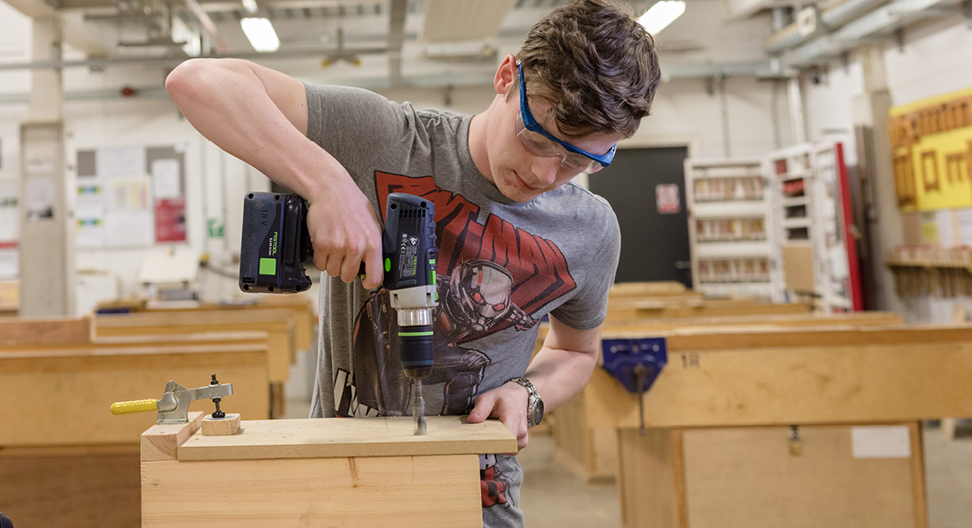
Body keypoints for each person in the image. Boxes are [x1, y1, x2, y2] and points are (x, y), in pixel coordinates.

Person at [165, 0, 659, 524]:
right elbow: (196, 80)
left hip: (477, 497)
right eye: (535, 137)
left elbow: (578, 353)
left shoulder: (592, 230)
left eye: (579, 160)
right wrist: (330, 184)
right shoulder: (390, 140)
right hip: (341, 482)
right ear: (506, 75)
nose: (543, 171)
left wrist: (528, 393)